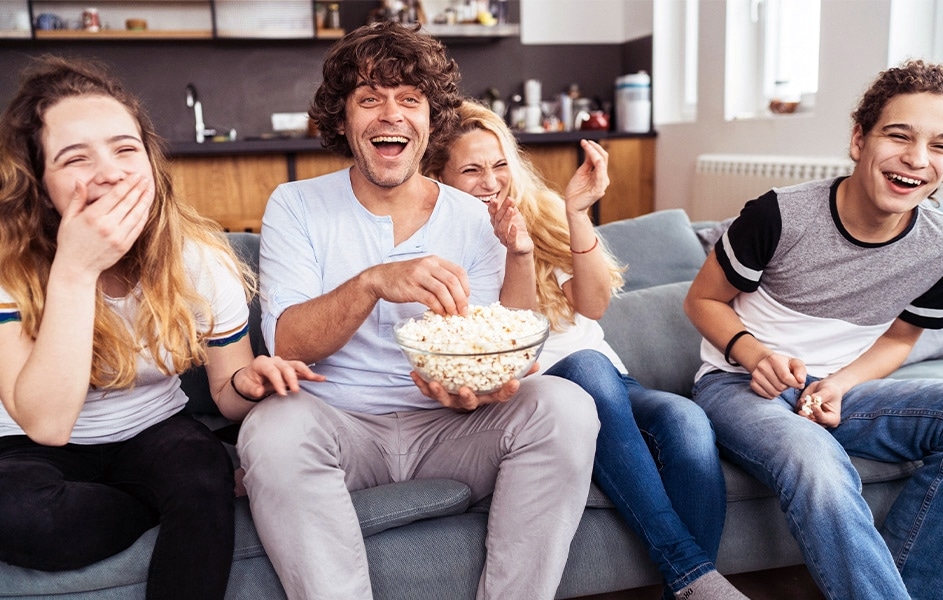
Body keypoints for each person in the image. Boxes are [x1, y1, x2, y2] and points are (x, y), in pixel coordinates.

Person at [236, 22, 600, 600]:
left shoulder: (470, 216)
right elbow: (287, 345)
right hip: (339, 428)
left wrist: (480, 386)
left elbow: (488, 346)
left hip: (449, 429)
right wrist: (374, 282)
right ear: (342, 119)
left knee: (565, 404)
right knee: (271, 428)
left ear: (431, 121)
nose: (391, 115)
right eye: (369, 99)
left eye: (410, 99)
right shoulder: (297, 205)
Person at [0, 56, 321, 599]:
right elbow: (46, 425)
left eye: (126, 149)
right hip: (31, 447)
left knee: (197, 479)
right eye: (76, 158)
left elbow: (227, 392)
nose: (110, 172)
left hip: (156, 430)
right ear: (39, 184)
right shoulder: (10, 268)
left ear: (150, 161)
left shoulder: (199, 260)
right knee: (29, 520)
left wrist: (250, 383)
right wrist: (76, 270)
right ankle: (151, 501)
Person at [422, 100, 747, 600]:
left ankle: (685, 589)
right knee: (587, 367)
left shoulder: (541, 211)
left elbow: (593, 305)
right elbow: (511, 344)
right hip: (543, 397)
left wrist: (576, 213)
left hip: (612, 384)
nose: (491, 181)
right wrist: (515, 253)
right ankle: (691, 573)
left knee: (687, 421)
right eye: (471, 170)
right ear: (438, 177)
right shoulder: (440, 246)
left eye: (500, 164)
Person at [683, 59, 943, 600]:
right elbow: (702, 300)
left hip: (838, 392)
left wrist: (838, 385)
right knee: (816, 460)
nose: (916, 159)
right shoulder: (777, 216)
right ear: (859, 139)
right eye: (898, 136)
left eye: (942, 145)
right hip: (737, 385)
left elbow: (902, 338)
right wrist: (753, 354)